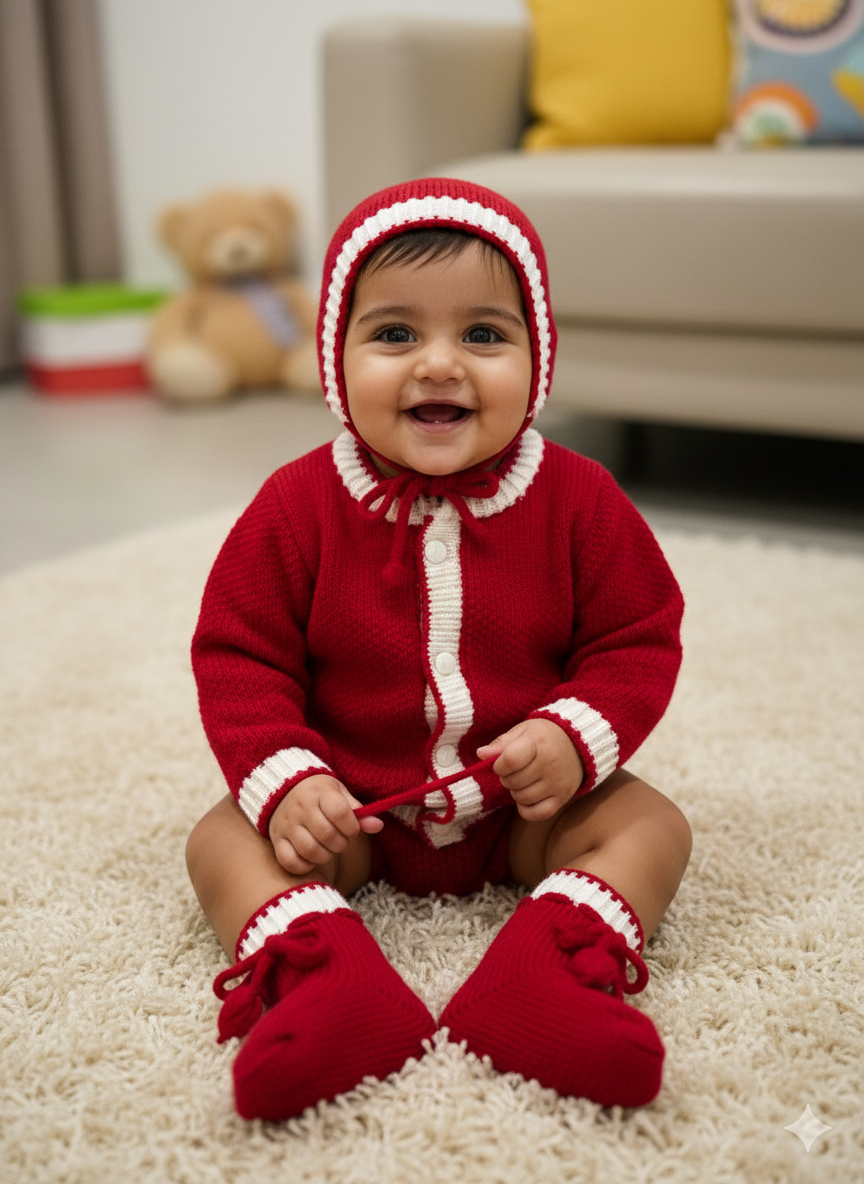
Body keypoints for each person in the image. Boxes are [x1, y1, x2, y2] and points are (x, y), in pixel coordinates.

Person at [185, 177, 692, 1122]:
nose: (440, 366)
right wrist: (290, 779)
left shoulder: (581, 500)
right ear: (335, 360)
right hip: (352, 813)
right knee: (221, 839)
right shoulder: (295, 507)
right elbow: (237, 654)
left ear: (539, 361)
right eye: (394, 335)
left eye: (485, 335)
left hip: (525, 811)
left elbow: (638, 634)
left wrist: (575, 738)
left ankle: (552, 970)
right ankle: (318, 974)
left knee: (654, 826)